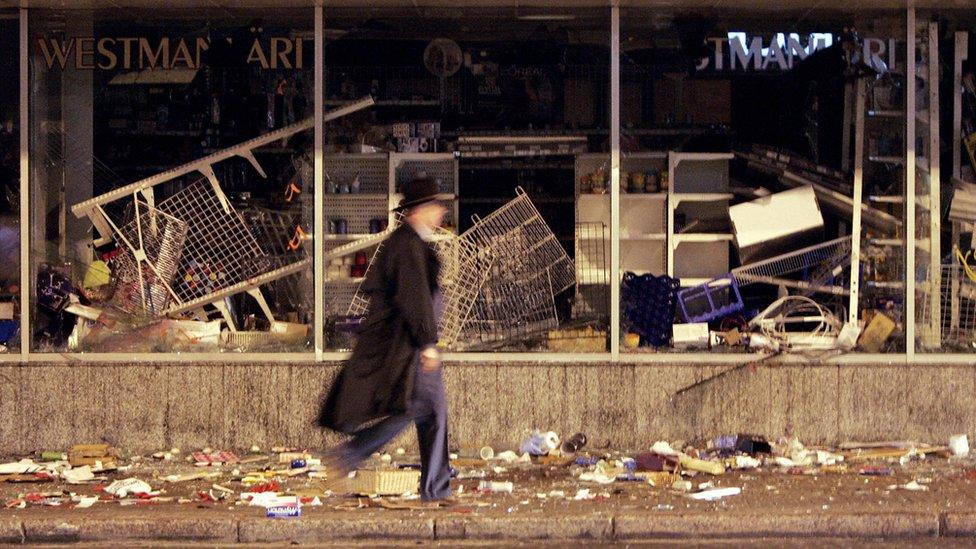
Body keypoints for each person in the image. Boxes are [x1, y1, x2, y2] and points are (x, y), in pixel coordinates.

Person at [318, 176, 453, 503]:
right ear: (418, 211)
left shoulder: (407, 243)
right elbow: (416, 298)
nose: (442, 213)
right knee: (416, 407)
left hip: (406, 344)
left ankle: (437, 488)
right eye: (436, 207)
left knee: (432, 411)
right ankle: (351, 454)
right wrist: (427, 343)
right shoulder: (408, 247)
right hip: (407, 346)